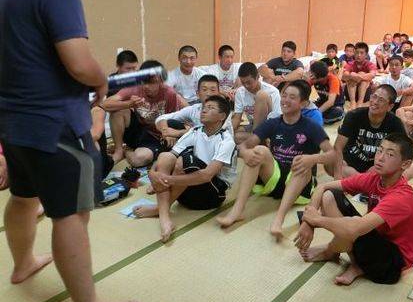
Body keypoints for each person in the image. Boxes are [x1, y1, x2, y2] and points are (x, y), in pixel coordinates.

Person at [0, 0, 139, 302]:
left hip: (11, 121)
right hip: (56, 124)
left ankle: (22, 263)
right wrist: (100, 81)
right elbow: (79, 63)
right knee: (71, 214)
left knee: (23, 197)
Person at [295, 134, 413, 286]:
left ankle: (331, 252)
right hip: (376, 240)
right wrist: (307, 224)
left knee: (353, 224)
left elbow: (354, 228)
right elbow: (323, 187)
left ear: (405, 164)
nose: (380, 158)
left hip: (392, 265)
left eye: (390, 154)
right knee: (329, 196)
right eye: (380, 150)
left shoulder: (400, 198)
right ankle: (356, 264)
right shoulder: (374, 178)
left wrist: (315, 220)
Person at [216, 80, 335, 240]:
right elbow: (244, 145)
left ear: (303, 103)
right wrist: (245, 153)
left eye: (292, 97)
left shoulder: (311, 126)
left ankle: (279, 220)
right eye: (284, 95)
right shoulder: (273, 123)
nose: (285, 100)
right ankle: (237, 211)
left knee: (302, 164)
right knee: (259, 151)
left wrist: (312, 159)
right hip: (274, 178)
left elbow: (332, 154)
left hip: (300, 185)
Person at [133, 95, 236, 242]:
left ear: (222, 116)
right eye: (204, 108)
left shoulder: (226, 140)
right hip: (187, 193)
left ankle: (159, 209)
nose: (204, 111)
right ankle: (164, 217)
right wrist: (152, 173)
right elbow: (169, 156)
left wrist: (167, 179)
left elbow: (207, 175)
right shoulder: (195, 131)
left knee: (185, 162)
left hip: (211, 196)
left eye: (210, 108)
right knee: (165, 156)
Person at [104, 60, 185, 167]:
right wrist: (129, 104)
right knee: (118, 111)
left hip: (157, 136)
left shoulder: (169, 93)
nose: (146, 86)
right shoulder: (134, 88)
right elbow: (105, 104)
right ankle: (118, 150)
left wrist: (170, 133)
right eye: (144, 81)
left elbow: (173, 120)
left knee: (138, 160)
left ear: (161, 81)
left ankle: (125, 150)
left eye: (151, 82)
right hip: (139, 130)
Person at [331, 85, 407, 178]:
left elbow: (404, 151)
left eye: (381, 100)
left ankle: (360, 181)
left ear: (390, 106)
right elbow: (338, 147)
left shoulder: (395, 123)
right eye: (374, 96)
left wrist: (381, 166)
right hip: (350, 164)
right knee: (329, 162)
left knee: (411, 168)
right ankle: (365, 182)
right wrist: (338, 174)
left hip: (377, 167)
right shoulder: (353, 115)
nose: (375, 102)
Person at [155, 74, 229, 141]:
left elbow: (209, 134)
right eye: (204, 90)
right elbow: (161, 118)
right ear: (197, 94)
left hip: (218, 147)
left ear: (218, 93)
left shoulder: (223, 111)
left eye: (213, 90)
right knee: (171, 123)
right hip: (194, 146)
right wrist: (166, 132)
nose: (208, 94)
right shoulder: (194, 109)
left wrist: (179, 132)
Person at [232, 62, 281, 144]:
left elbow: (276, 119)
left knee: (261, 95)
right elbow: (237, 118)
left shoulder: (272, 91)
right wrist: (226, 132)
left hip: (270, 126)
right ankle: (261, 141)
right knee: (235, 136)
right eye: (243, 83)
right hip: (253, 125)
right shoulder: (240, 92)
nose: (246, 86)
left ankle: (257, 139)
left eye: (249, 82)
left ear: (257, 77)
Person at [342, 41, 377, 110]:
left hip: (365, 92)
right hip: (351, 92)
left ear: (366, 55)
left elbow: (372, 75)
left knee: (362, 74)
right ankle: (353, 102)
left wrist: (359, 76)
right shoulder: (350, 64)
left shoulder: (369, 64)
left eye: (361, 53)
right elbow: (344, 76)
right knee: (351, 75)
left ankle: (360, 102)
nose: (359, 55)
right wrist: (352, 76)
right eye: (357, 53)